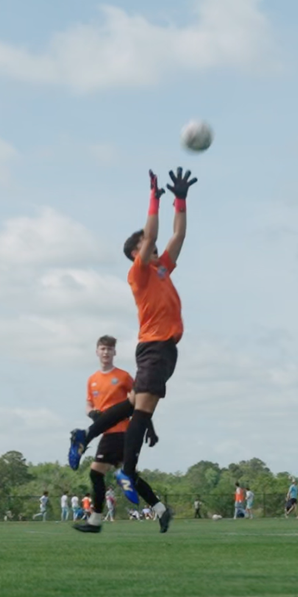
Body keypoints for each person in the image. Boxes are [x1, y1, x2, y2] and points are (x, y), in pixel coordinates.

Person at [64, 168, 196, 534]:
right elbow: (152, 232)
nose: (150, 243)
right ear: (136, 253)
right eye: (143, 242)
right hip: (155, 346)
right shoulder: (139, 272)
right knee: (145, 407)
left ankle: (84, 436)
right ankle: (129, 471)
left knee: (134, 402)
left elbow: (178, 234)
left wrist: (180, 200)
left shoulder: (162, 269)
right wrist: (153, 198)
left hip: (164, 350)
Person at [71, 335, 136, 534]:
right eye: (102, 348)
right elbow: (88, 403)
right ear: (97, 352)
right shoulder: (92, 379)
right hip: (106, 432)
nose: (106, 352)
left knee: (96, 473)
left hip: (120, 431)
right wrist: (91, 412)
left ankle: (95, 521)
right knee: (128, 476)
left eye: (109, 349)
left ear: (115, 352)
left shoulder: (124, 376)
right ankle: (160, 510)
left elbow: (137, 400)